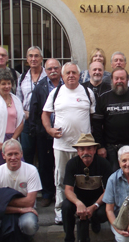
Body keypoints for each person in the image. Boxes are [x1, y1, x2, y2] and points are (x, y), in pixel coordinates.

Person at [42, 62, 95, 225]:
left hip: (83, 147)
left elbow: (93, 117)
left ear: (79, 75)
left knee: (84, 180)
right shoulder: (56, 93)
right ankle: (60, 211)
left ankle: (82, 210)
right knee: (60, 179)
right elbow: (45, 114)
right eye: (68, 73)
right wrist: (49, 130)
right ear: (62, 76)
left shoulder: (88, 92)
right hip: (61, 145)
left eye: (74, 72)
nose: (71, 75)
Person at [0, 139, 42, 242]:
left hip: (25, 211)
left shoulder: (31, 170)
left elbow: (30, 202)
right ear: (3, 155)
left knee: (29, 225)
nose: (13, 157)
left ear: (21, 154)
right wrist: (19, 208)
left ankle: (27, 239)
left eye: (16, 154)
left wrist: (2, 201)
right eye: (9, 154)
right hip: (11, 211)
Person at [62, 133, 113, 242]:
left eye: (89, 148)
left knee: (103, 213)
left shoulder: (104, 164)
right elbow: (68, 190)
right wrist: (78, 203)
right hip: (78, 199)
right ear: (78, 151)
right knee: (66, 207)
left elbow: (108, 191)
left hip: (97, 199)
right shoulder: (71, 164)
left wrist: (94, 207)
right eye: (82, 149)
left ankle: (94, 220)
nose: (86, 152)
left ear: (95, 150)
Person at [93, 68, 129, 171]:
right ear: (112, 80)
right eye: (116, 78)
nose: (119, 81)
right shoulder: (103, 98)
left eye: (122, 78)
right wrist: (100, 146)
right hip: (110, 148)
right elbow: (97, 125)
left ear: (127, 80)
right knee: (114, 177)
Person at [29, 59, 63, 207]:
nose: (53, 71)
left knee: (61, 165)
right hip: (44, 133)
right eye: (49, 69)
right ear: (45, 70)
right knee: (45, 164)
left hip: (63, 133)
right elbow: (34, 110)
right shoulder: (40, 87)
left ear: (60, 69)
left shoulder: (67, 84)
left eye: (56, 68)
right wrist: (36, 130)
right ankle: (48, 193)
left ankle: (61, 193)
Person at [16, 46, 47, 166]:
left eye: (36, 56)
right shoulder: (22, 78)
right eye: (31, 56)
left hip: (44, 121)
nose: (33, 58)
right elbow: (18, 99)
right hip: (28, 121)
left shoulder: (47, 75)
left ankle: (44, 184)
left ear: (41, 59)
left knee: (44, 156)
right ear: (27, 59)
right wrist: (23, 112)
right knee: (27, 153)